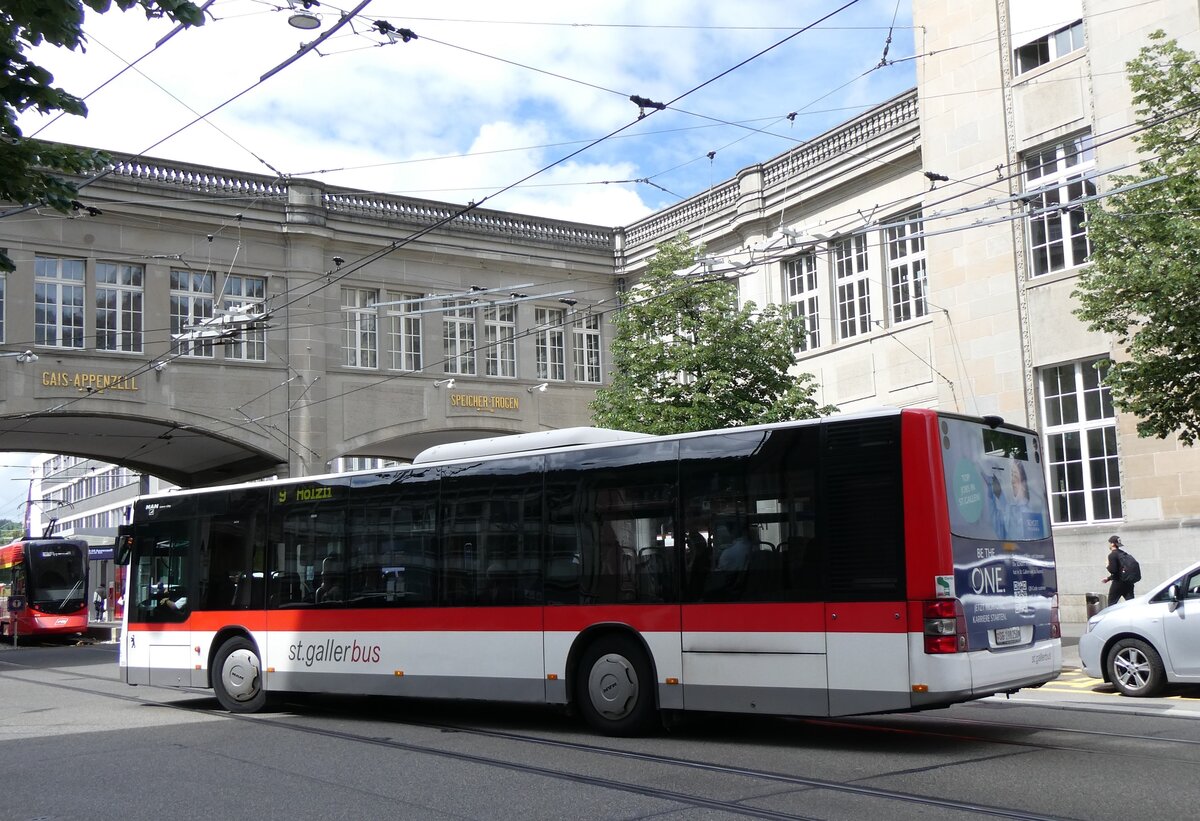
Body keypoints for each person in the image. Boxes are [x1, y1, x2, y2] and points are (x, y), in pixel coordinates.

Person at [1102, 534, 1138, 606]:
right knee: (1132, 604)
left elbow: (1114, 571)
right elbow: (1120, 571)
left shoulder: (1112, 555)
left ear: (1112, 544)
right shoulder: (1124, 554)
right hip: (1128, 583)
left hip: (1118, 583)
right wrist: (1109, 578)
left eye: (1109, 543)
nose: (1109, 544)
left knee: (1111, 605)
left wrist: (1107, 566)